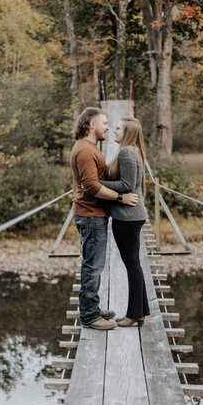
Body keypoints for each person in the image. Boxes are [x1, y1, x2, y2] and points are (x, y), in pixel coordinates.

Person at [70, 107, 138, 330]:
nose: (108, 127)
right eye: (104, 123)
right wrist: (121, 196)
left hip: (93, 214)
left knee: (94, 265)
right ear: (91, 124)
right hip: (90, 215)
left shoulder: (89, 148)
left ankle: (92, 306)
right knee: (93, 266)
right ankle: (89, 316)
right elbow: (91, 186)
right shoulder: (85, 150)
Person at [99, 117, 150, 327]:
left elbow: (127, 184)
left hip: (127, 217)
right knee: (134, 264)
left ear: (127, 132)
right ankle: (140, 311)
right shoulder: (132, 151)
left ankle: (133, 314)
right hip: (131, 216)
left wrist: (96, 184)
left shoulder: (127, 153)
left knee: (133, 265)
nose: (114, 130)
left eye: (118, 128)